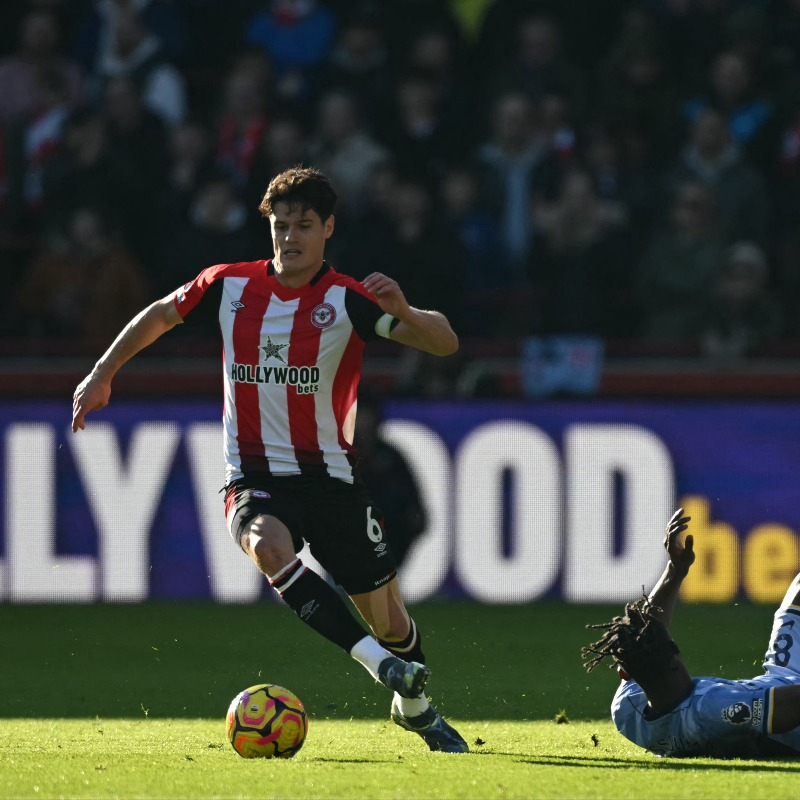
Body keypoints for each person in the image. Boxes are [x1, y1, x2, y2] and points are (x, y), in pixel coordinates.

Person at [71, 165, 468, 754]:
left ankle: (414, 705)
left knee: (388, 617)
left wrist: (406, 312)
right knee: (266, 545)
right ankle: (379, 667)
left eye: (303, 226)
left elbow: (446, 343)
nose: (289, 238)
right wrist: (103, 372)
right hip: (254, 476)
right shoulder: (228, 285)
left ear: (328, 228)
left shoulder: (348, 300)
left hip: (332, 482)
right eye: (280, 226)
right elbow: (159, 313)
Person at [582, 509, 800, 758]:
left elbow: (645, 634)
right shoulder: (711, 709)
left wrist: (675, 571)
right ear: (675, 659)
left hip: (781, 677)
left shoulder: (629, 711)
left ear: (625, 671)